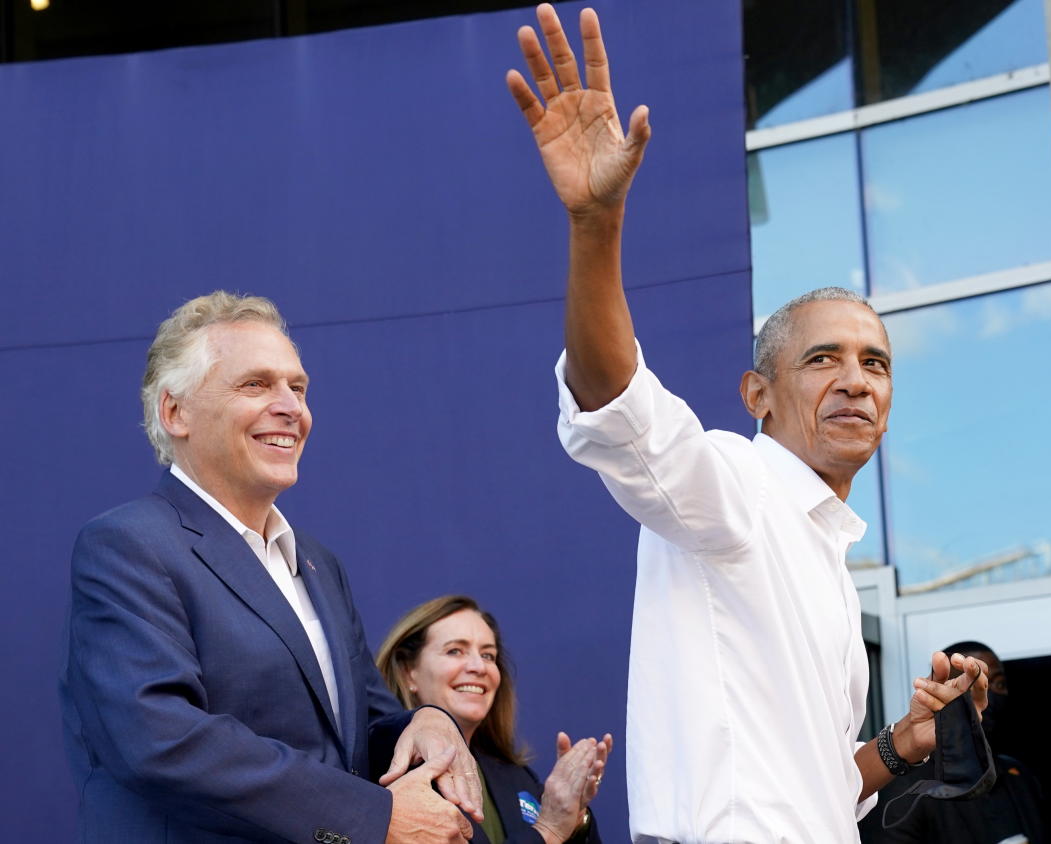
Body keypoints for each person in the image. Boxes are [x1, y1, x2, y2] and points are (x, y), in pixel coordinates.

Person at [505, 6, 989, 842]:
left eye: (874, 363)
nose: (854, 382)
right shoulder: (735, 485)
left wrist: (902, 746)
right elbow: (615, 400)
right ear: (756, 395)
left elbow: (816, 794)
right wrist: (596, 223)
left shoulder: (829, 558)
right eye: (822, 360)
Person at [60, 292, 484, 843]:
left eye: (298, 387)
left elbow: (364, 728)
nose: (292, 407)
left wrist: (427, 720)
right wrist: (370, 818)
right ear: (175, 412)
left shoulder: (317, 564)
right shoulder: (127, 544)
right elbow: (161, 739)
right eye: (255, 384)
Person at [375, 595, 608, 844]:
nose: (478, 666)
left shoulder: (517, 778)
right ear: (408, 672)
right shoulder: (386, 772)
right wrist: (547, 831)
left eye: (488, 655)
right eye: (455, 651)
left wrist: (574, 817)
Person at [874, 642, 1045, 844]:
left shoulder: (1017, 775)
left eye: (997, 684)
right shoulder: (906, 789)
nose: (985, 697)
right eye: (969, 686)